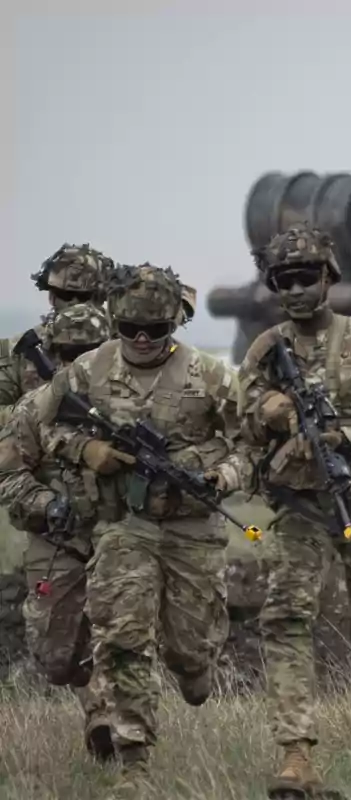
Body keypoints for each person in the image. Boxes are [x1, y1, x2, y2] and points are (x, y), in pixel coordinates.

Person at [38, 264, 246, 788]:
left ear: (174, 323)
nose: (142, 340)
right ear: (116, 320)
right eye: (131, 328)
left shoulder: (212, 375)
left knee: (190, 654)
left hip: (193, 530)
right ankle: (135, 763)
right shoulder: (86, 371)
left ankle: (195, 670)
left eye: (155, 330)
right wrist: (89, 448)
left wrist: (223, 474)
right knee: (124, 635)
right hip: (123, 526)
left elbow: (252, 443)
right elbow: (44, 427)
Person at [237, 223, 351, 797]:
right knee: (286, 615)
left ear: (328, 278)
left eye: (306, 277)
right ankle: (296, 754)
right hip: (301, 506)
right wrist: (271, 412)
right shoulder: (266, 352)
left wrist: (346, 437)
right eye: (282, 280)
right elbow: (241, 419)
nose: (295, 290)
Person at [0, 303, 116, 761]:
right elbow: (7, 475)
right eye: (70, 354)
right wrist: (47, 504)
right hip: (57, 541)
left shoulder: (127, 408)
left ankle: (110, 721)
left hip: (121, 539)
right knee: (56, 658)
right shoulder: (35, 407)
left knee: (119, 630)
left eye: (91, 352)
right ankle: (97, 702)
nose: (80, 363)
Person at [0, 243, 111, 425]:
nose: (75, 303)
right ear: (52, 296)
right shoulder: (19, 350)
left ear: (101, 298)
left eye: (85, 296)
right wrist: (44, 410)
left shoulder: (129, 349)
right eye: (66, 295)